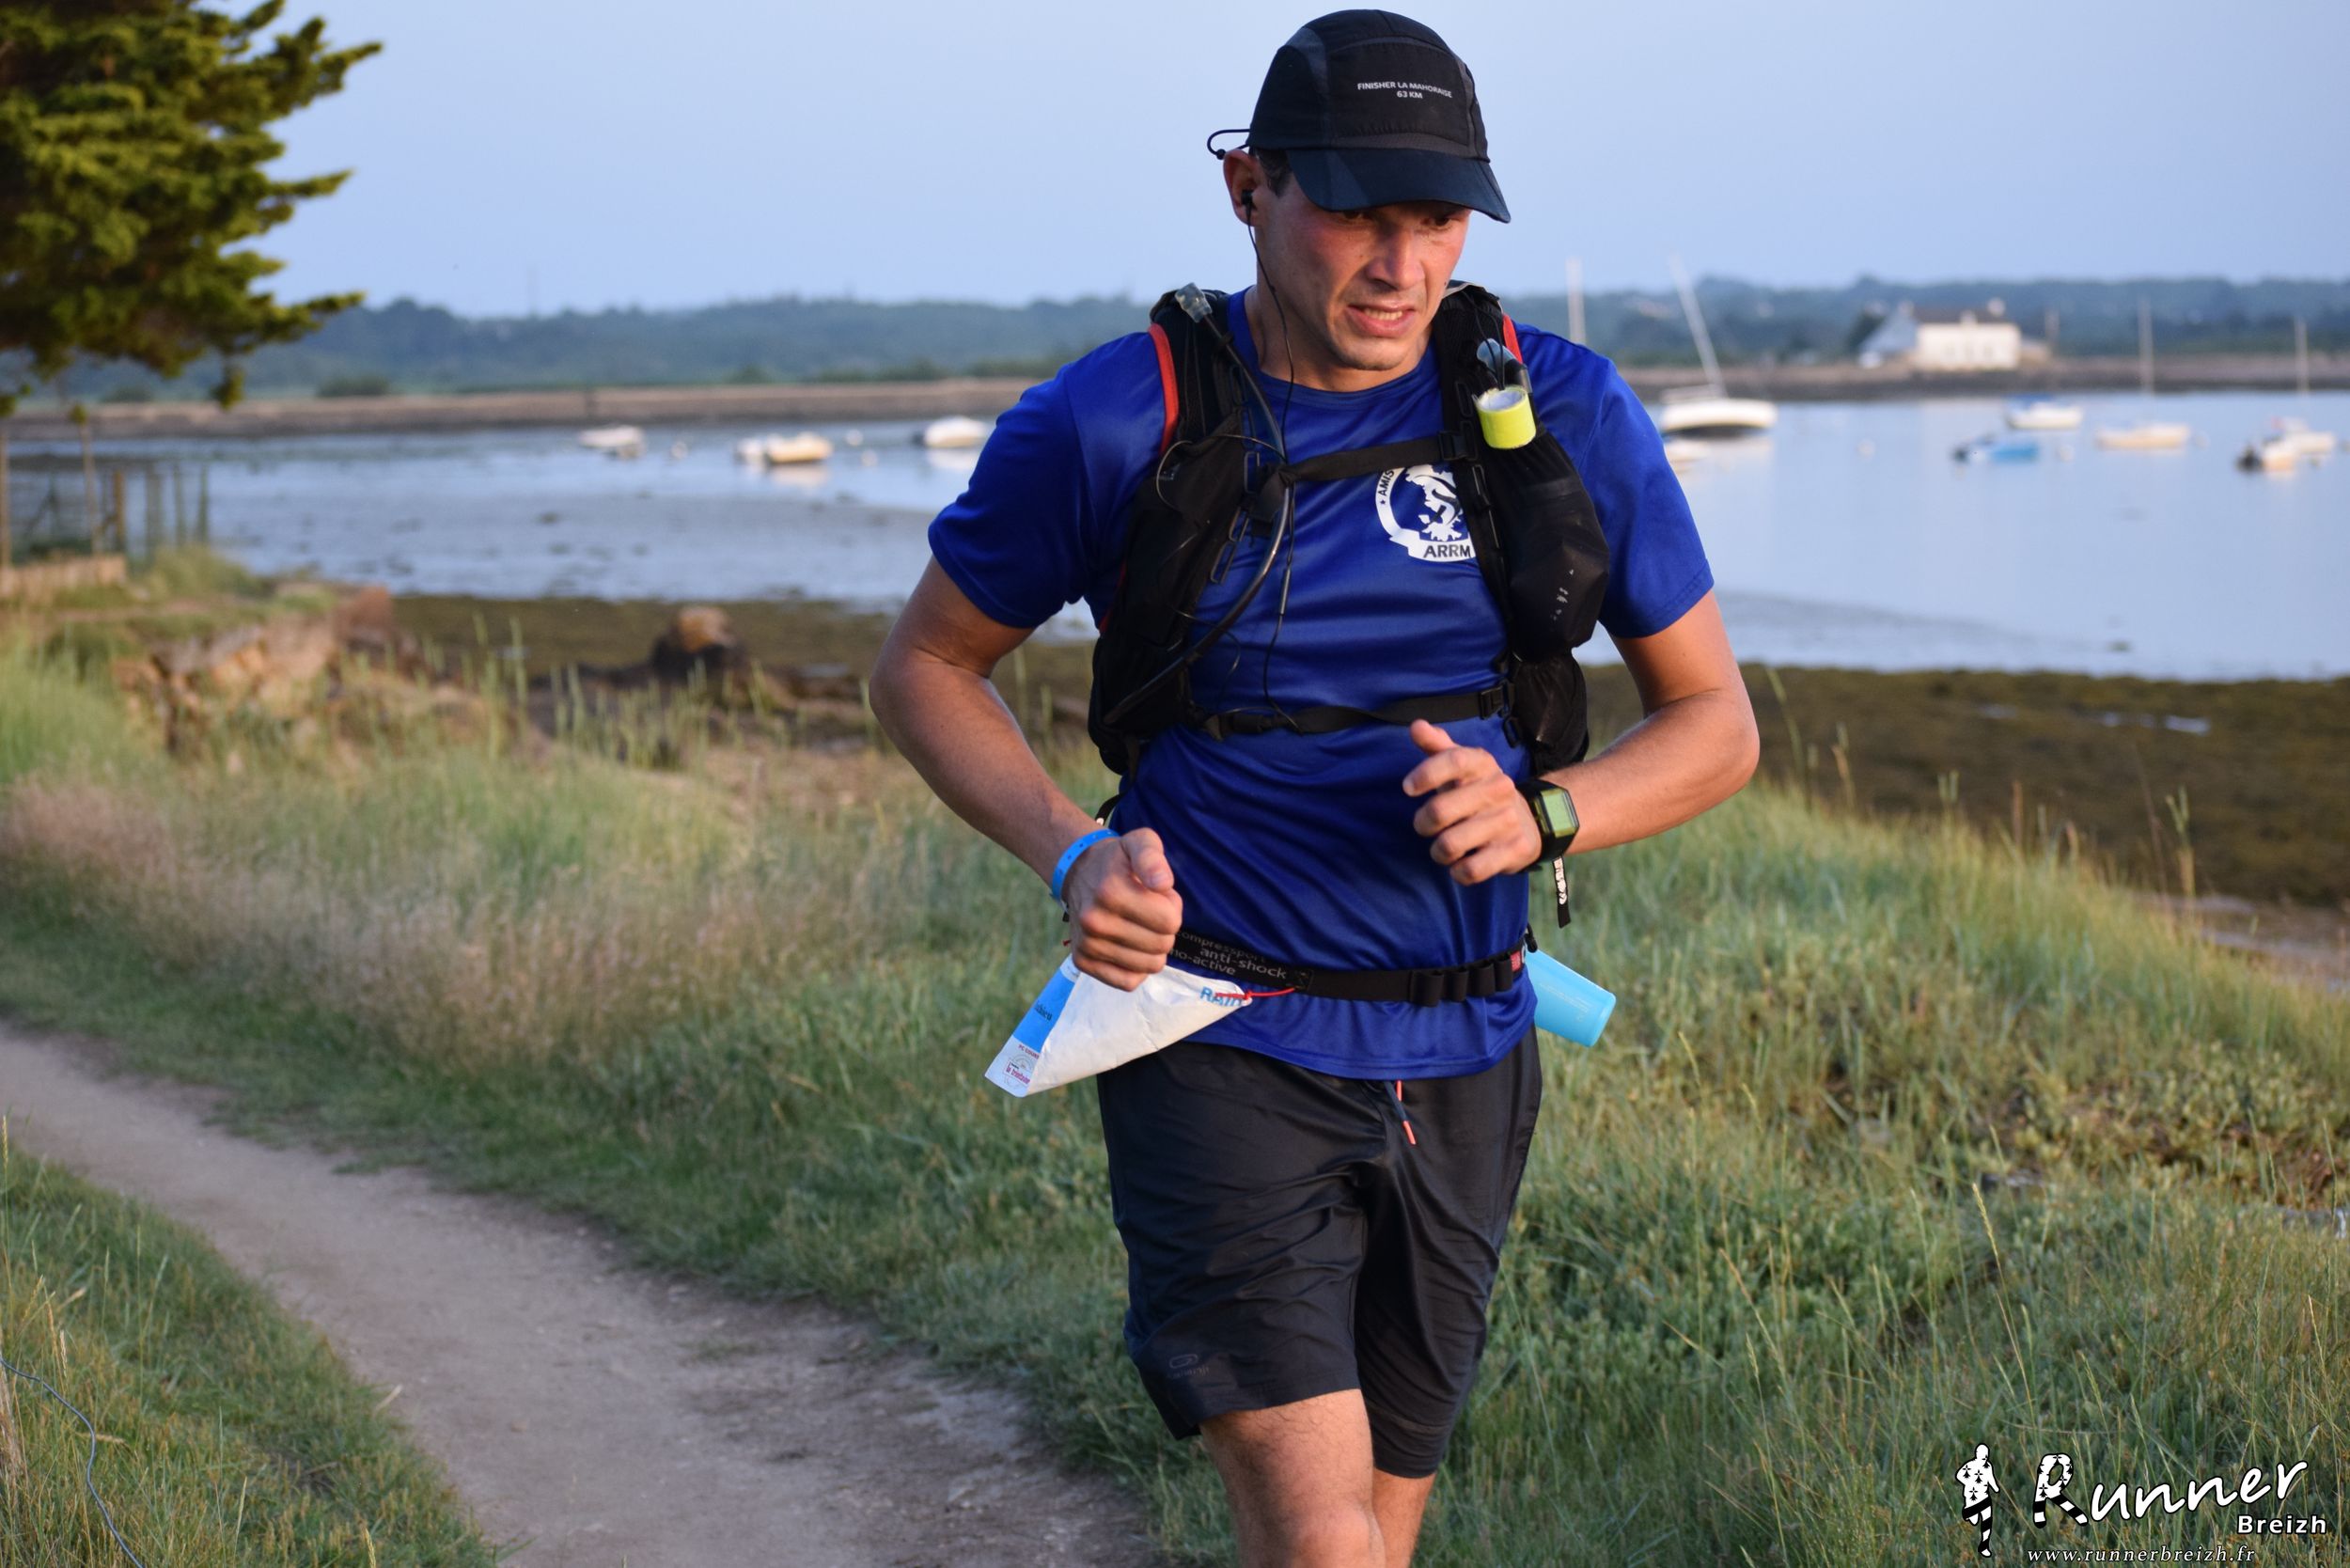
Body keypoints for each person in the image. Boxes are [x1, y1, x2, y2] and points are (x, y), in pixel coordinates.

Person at [870, 12, 1758, 1565]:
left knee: (1375, 1537)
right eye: (1357, 213)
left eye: (1440, 222)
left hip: (1470, 1044)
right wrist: (1075, 858)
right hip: (1217, 1032)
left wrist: (1546, 813)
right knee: (1323, 1541)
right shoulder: (1115, 416)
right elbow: (926, 667)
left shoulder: (1555, 409)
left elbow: (1715, 725)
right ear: (1250, 189)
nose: (1402, 267)